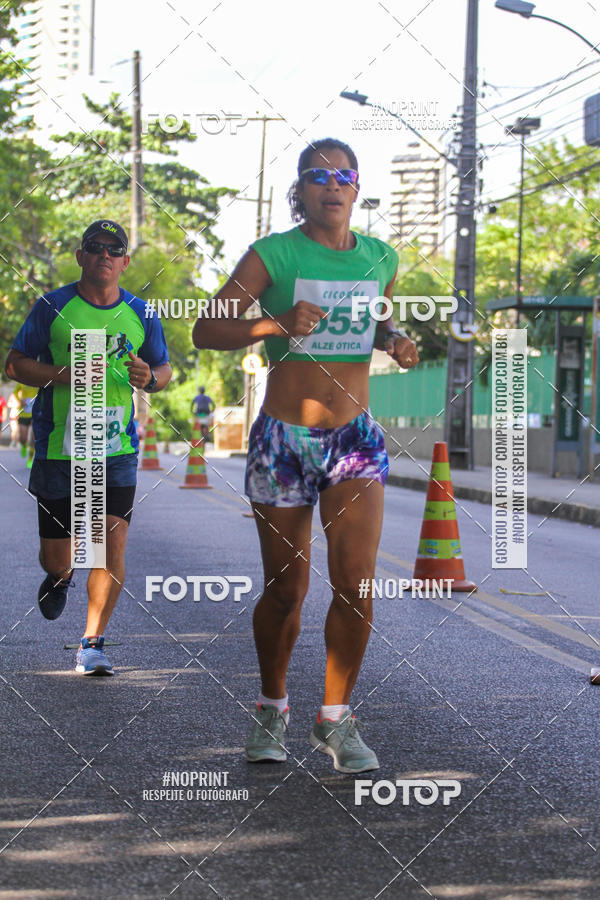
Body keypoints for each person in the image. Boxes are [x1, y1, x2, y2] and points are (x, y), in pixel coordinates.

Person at [193, 138, 419, 773]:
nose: (332, 185)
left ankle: (336, 721)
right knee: (286, 589)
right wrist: (275, 324)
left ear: (356, 187)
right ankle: (272, 706)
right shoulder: (274, 254)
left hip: (354, 439)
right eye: (318, 176)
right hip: (283, 439)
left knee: (355, 586)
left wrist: (397, 341)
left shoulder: (380, 257)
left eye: (344, 175)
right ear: (302, 189)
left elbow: (377, 323)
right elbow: (207, 327)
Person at [5, 219, 172, 675]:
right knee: (58, 557)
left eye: (113, 248)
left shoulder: (142, 312)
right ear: (80, 256)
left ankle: (92, 643)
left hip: (115, 449)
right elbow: (15, 365)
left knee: (110, 543)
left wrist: (150, 380)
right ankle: (60, 577)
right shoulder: (52, 307)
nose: (104, 254)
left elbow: (162, 369)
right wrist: (62, 374)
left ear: (124, 261)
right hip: (60, 449)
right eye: (94, 247)